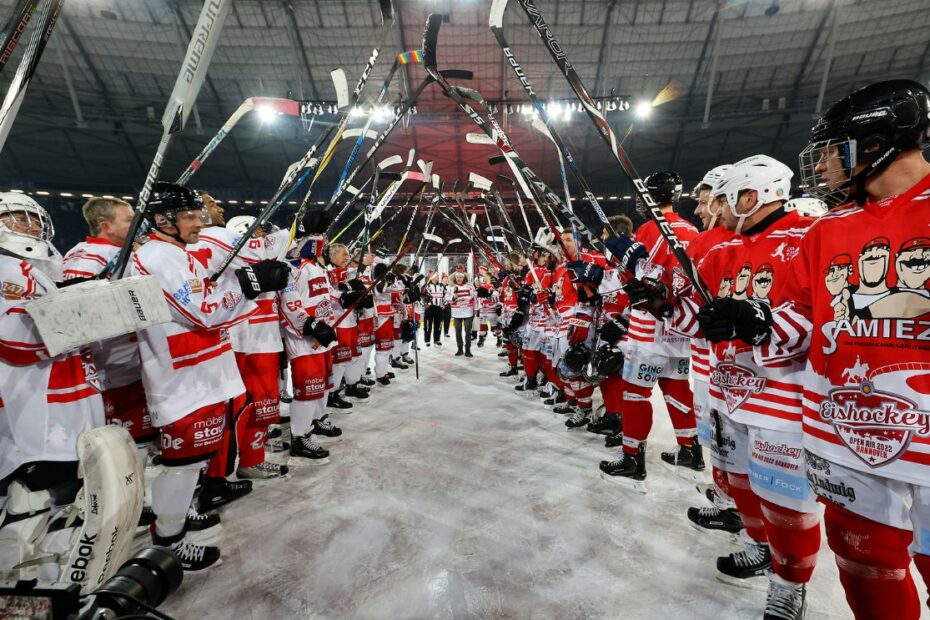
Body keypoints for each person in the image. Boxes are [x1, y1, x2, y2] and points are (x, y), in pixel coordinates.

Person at [706, 79, 930, 620]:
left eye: (834, 148)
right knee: (865, 564)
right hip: (845, 424)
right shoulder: (827, 228)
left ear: (875, 143)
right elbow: (800, 319)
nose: (824, 163)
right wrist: (756, 320)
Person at [127, 182, 288, 570]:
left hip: (203, 374)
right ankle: (168, 540)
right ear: (163, 220)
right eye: (189, 216)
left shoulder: (178, 252)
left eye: (199, 214)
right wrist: (248, 284)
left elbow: (213, 298)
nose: (199, 221)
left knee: (194, 460)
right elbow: (203, 311)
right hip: (182, 380)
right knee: (182, 464)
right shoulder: (158, 258)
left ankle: (178, 516)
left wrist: (244, 283)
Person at [0, 193, 105, 572]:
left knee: (63, 497)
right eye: (18, 218)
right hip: (32, 406)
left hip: (59, 398)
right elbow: (16, 341)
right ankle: (20, 582)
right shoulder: (7, 271)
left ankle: (48, 576)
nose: (32, 226)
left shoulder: (33, 270)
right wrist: (82, 315)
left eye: (33, 218)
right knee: (32, 500)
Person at [598, 171, 702, 491]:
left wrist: (617, 256)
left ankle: (632, 458)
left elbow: (640, 277)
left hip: (648, 330)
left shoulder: (649, 228)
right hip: (680, 328)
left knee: (635, 393)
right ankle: (690, 450)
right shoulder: (692, 229)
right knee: (677, 390)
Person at [279, 208, 343, 458]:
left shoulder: (319, 268)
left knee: (324, 384)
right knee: (308, 389)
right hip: (305, 340)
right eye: (319, 238)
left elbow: (326, 295)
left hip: (323, 336)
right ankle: (299, 436)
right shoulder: (295, 266)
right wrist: (309, 326)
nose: (323, 242)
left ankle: (318, 419)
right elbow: (288, 301)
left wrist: (345, 297)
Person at [446, 268, 476, 357]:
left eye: (460, 277)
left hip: (468, 312)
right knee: (458, 331)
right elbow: (446, 297)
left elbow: (473, 296)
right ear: (455, 278)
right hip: (456, 313)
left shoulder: (470, 286)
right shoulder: (450, 287)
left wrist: (475, 309)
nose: (459, 278)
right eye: (457, 277)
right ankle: (460, 349)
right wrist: (453, 298)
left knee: (468, 331)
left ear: (464, 278)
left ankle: (468, 350)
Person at [423, 271, 445, 346]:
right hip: (429, 308)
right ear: (431, 277)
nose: (438, 277)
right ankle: (427, 340)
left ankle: (437, 339)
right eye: (436, 276)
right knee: (428, 325)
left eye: (438, 276)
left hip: (439, 308)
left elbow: (445, 296)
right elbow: (423, 296)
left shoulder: (442, 286)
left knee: (438, 325)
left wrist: (444, 304)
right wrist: (425, 304)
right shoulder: (427, 286)